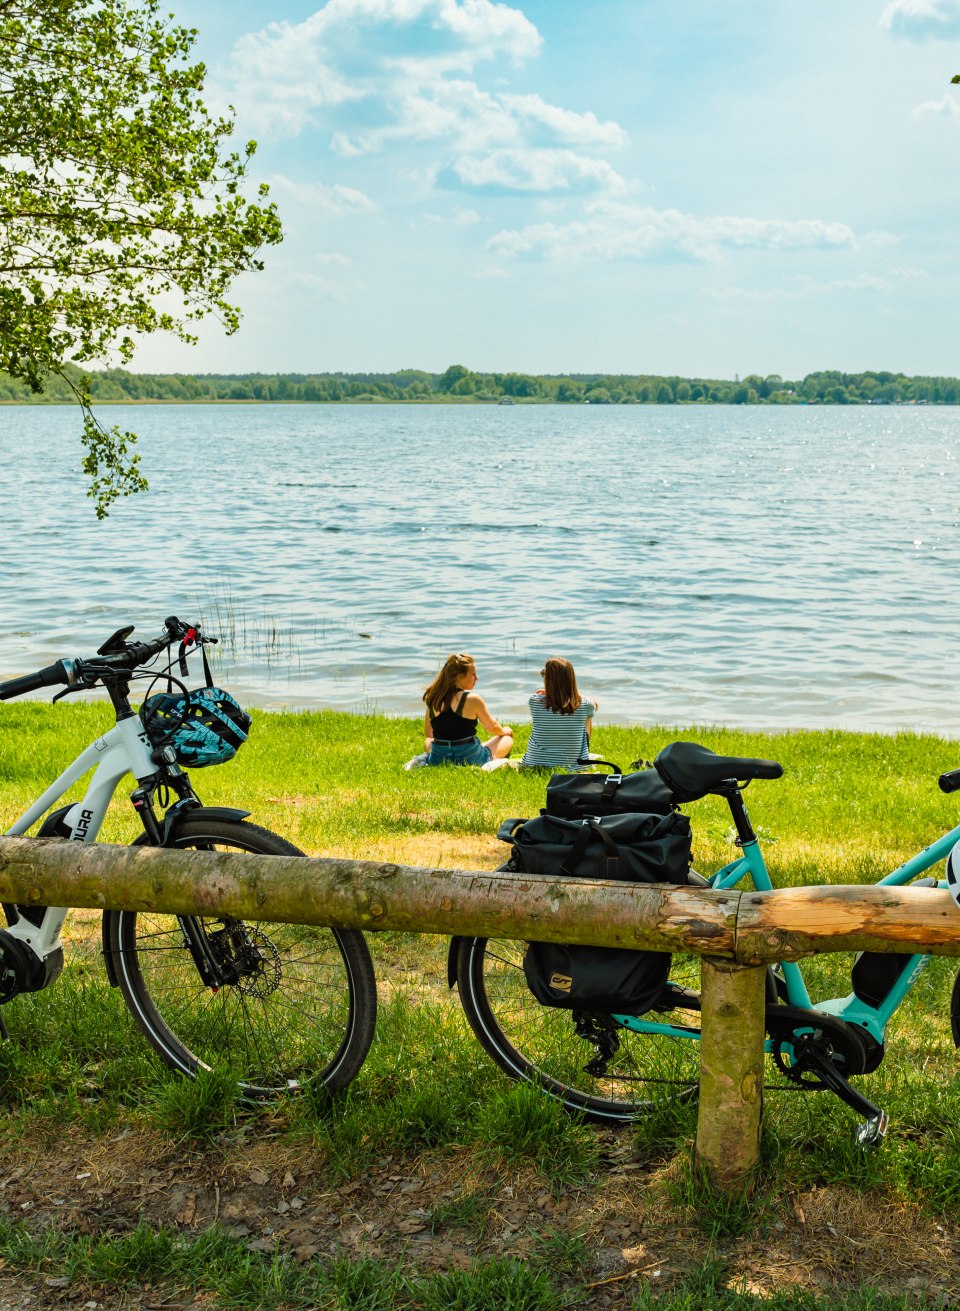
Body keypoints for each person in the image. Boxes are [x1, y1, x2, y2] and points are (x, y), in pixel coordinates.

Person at [404, 653, 513, 768]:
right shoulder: (472, 699)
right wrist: (504, 731)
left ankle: (457, 750)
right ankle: (477, 751)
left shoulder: (433, 698)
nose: (477, 678)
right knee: (507, 739)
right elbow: (492, 727)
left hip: (439, 758)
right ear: (459, 676)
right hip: (471, 758)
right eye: (473, 675)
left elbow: (428, 733)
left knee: (428, 741)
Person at [520, 657, 597, 771]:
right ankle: (582, 753)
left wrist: (549, 692)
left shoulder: (534, 701)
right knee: (588, 716)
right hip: (574, 766)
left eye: (544, 674)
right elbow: (594, 705)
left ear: (548, 680)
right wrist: (570, 692)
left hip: (534, 763)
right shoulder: (585, 704)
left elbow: (555, 703)